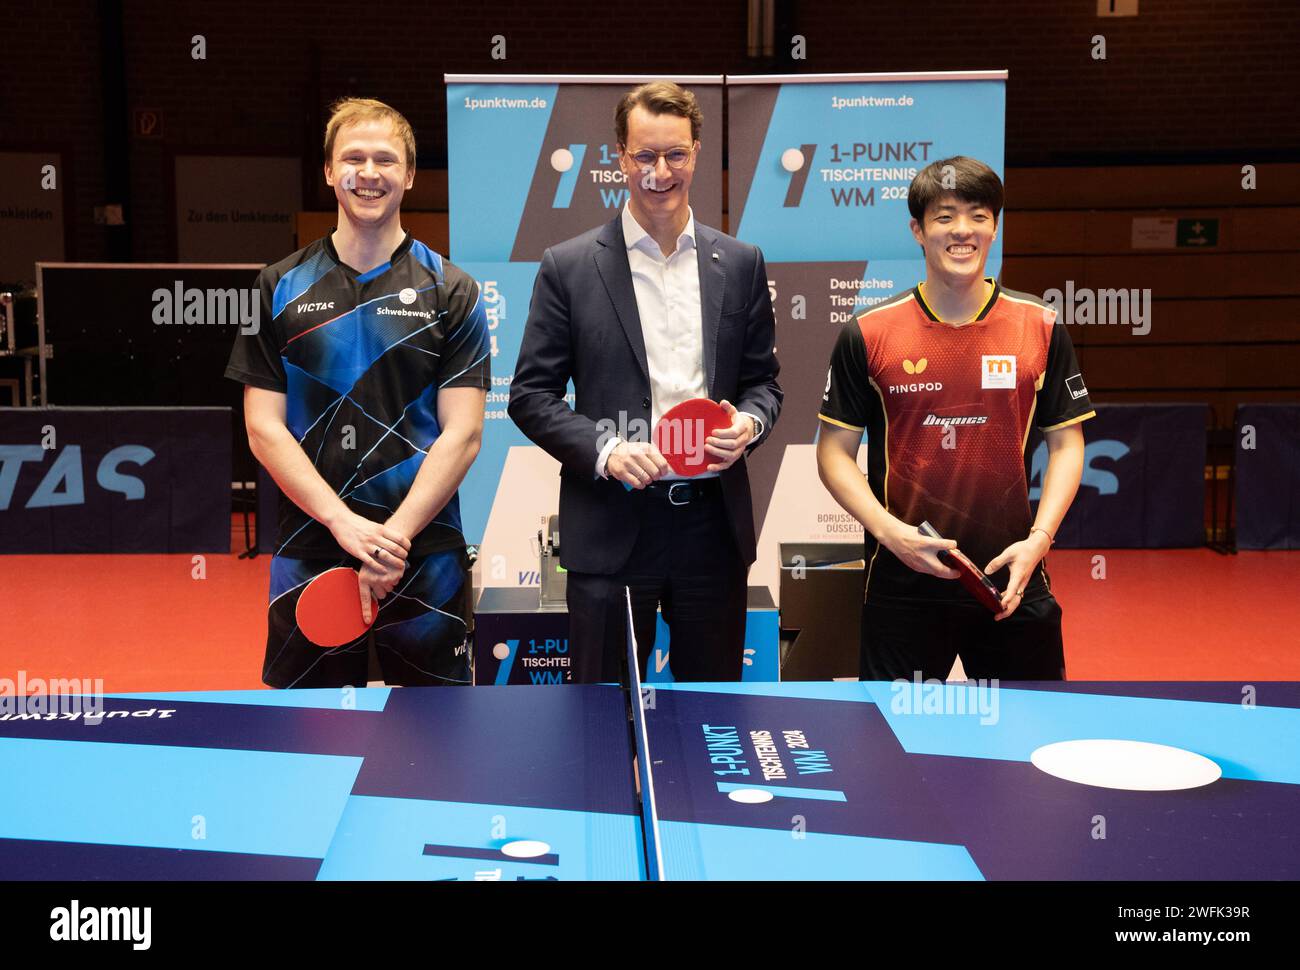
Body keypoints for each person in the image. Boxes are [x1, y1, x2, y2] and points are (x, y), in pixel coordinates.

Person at [508, 81, 782, 683]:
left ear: (697, 153)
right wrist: (605, 452)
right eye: (645, 156)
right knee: (602, 720)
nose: (661, 171)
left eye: (675, 155)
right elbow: (529, 395)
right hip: (611, 522)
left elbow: (765, 382)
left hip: (712, 527)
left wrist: (750, 424)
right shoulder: (569, 265)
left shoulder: (740, 263)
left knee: (709, 720)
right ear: (620, 157)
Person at [226, 97, 489, 688]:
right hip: (312, 546)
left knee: (438, 747)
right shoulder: (275, 286)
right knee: (308, 744)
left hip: (423, 555)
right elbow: (263, 427)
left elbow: (465, 432)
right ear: (327, 171)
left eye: (385, 160)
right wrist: (344, 525)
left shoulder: (453, 290)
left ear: (410, 175)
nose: (369, 173)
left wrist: (392, 538)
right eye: (353, 158)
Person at [816, 155, 1094, 682]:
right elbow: (833, 452)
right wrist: (890, 533)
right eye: (944, 217)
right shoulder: (869, 333)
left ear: (995, 227)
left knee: (1026, 751)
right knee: (895, 751)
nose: (962, 230)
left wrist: (1040, 540)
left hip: (1013, 574)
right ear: (917, 230)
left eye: (978, 215)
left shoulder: (1041, 325)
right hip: (903, 581)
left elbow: (1067, 444)